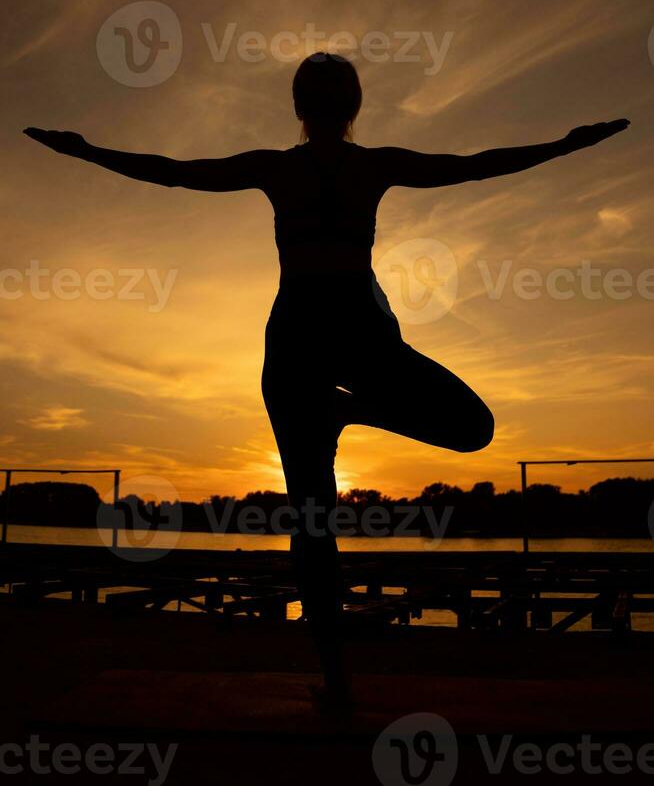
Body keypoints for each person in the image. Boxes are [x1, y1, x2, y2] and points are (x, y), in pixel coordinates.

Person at [23, 52, 629, 709]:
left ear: (299, 108)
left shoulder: (288, 167)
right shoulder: (365, 164)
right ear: (352, 106)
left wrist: (87, 153)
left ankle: (349, 428)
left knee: (321, 515)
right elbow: (475, 165)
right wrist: (563, 148)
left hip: (309, 340)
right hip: (345, 336)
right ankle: (337, 679)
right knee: (362, 490)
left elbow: (173, 174)